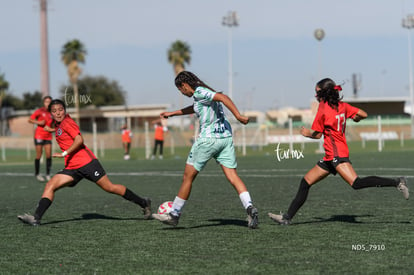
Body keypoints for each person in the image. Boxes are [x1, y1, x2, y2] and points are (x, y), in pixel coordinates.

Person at [268, 78, 409, 225]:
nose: (315, 95)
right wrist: (356, 118)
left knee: (356, 183)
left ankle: (398, 182)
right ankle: (286, 218)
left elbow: (317, 135)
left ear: (323, 93)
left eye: (317, 91)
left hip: (337, 155)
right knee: (305, 182)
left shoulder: (323, 108)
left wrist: (306, 133)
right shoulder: (343, 106)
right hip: (331, 156)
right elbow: (363, 114)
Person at [18, 99, 152, 226]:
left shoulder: (67, 122)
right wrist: (51, 130)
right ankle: (36, 218)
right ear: (51, 113)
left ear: (64, 110)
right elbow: (63, 132)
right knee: (51, 185)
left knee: (109, 187)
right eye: (54, 111)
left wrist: (64, 153)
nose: (58, 113)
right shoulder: (59, 124)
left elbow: (79, 140)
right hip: (72, 167)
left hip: (87, 163)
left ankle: (143, 202)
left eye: (60, 109)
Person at [152, 71, 259, 229]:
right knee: (233, 176)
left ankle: (174, 214)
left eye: (180, 89)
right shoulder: (203, 93)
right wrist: (173, 113)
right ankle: (249, 207)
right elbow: (196, 107)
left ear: (185, 85)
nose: (181, 92)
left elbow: (224, 98)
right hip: (225, 139)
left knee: (188, 177)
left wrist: (238, 116)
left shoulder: (200, 92)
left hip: (208, 141)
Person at [28, 96, 53, 181]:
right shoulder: (40, 111)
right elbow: (30, 119)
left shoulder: (53, 112)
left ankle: (48, 174)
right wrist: (38, 122)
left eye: (49, 102)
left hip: (48, 136)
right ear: (44, 103)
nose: (48, 103)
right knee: (39, 155)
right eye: (46, 102)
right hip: (39, 135)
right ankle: (37, 173)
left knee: (49, 155)